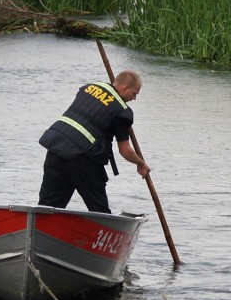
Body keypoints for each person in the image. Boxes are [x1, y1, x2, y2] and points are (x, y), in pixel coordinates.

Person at [38, 70, 150, 214]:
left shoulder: (90, 88)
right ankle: (104, 234)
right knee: (99, 210)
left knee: (48, 207)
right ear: (124, 88)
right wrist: (141, 164)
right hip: (83, 159)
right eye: (134, 93)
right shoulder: (122, 111)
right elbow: (125, 151)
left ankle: (39, 232)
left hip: (56, 148)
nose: (134, 99)